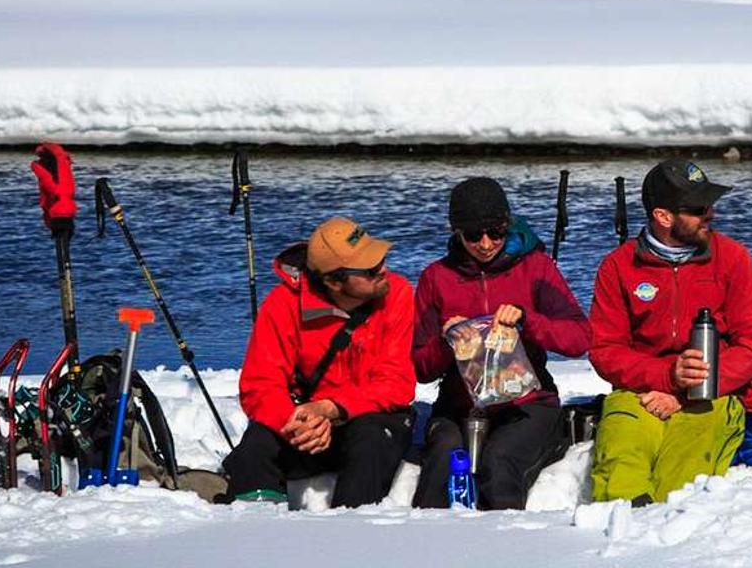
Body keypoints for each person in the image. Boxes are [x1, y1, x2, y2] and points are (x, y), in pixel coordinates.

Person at [588, 158, 752, 504]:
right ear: (663, 217)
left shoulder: (733, 259)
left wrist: (690, 389)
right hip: (639, 393)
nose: (710, 214)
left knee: (683, 477)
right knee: (621, 460)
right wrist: (667, 375)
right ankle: (621, 538)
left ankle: (667, 540)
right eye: (699, 208)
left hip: (712, 395)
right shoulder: (618, 266)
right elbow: (604, 349)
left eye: (710, 205)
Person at [410, 177, 590, 509]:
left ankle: (504, 546)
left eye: (495, 232)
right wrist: (445, 341)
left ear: (508, 225)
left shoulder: (536, 268)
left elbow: (579, 338)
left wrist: (527, 321)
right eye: (473, 235)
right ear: (456, 233)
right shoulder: (436, 278)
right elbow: (420, 368)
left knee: (499, 464)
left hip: (527, 403)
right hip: (458, 406)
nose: (485, 243)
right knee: (441, 466)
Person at [224, 216, 416, 508]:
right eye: (370, 269)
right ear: (334, 281)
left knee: (372, 441)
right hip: (305, 425)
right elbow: (260, 386)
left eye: (382, 259)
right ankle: (257, 528)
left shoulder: (398, 293)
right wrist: (298, 423)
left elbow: (396, 383)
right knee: (255, 449)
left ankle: (348, 533)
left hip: (365, 418)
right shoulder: (282, 304)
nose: (383, 270)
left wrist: (330, 409)